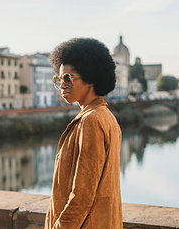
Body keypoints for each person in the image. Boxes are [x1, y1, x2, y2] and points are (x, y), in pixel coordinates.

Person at [45, 38, 123, 229]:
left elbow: (82, 195)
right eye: (59, 79)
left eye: (68, 78)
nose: (62, 85)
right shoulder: (106, 116)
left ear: (91, 78)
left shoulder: (91, 121)